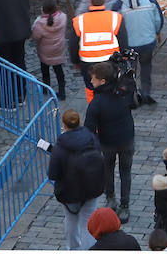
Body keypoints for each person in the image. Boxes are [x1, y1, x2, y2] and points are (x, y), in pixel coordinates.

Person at [48, 108, 107, 251]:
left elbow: (52, 174)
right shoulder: (92, 139)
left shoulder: (59, 148)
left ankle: (73, 249)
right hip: (92, 189)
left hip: (69, 193)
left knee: (71, 222)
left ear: (64, 125)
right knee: (88, 224)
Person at [85, 62, 136, 223]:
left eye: (94, 78)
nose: (91, 81)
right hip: (127, 138)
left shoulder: (97, 102)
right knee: (125, 172)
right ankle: (125, 206)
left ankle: (111, 199)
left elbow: (89, 129)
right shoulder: (123, 92)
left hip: (107, 142)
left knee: (108, 169)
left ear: (103, 81)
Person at [33, 0, 70, 101]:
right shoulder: (63, 17)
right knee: (59, 70)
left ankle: (46, 88)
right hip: (58, 50)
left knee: (45, 70)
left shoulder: (40, 23)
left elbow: (35, 37)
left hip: (45, 52)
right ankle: (62, 92)